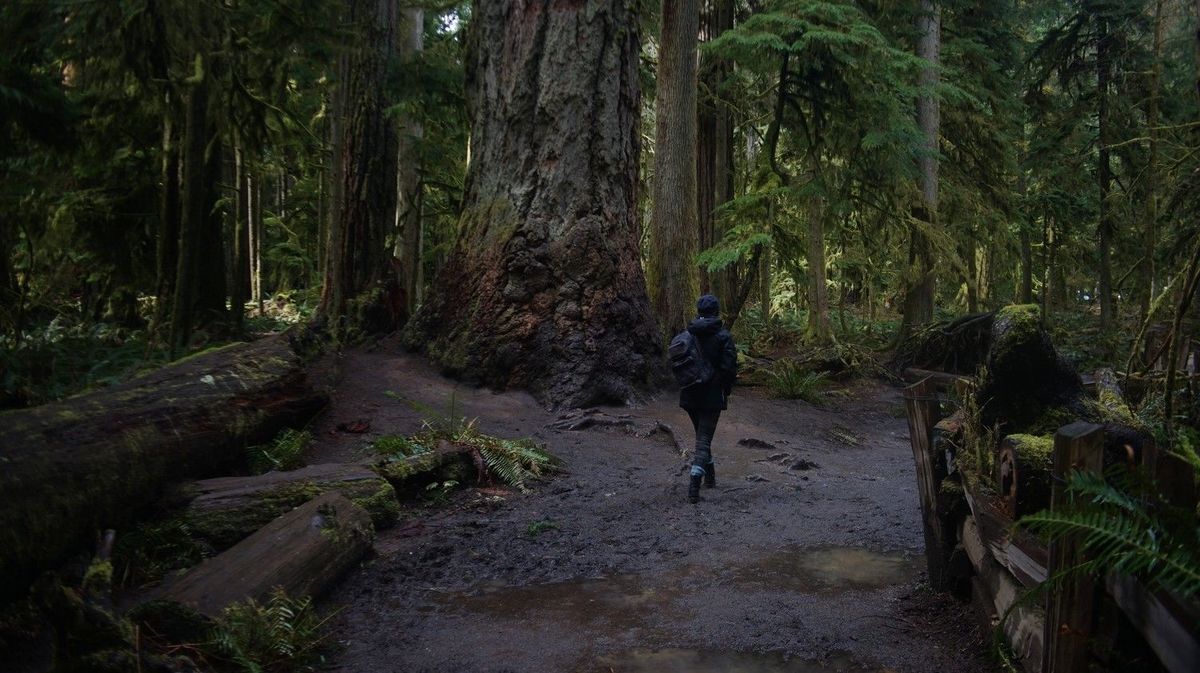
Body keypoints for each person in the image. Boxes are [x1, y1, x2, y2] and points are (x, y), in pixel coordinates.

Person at [680, 294, 737, 504]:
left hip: (689, 394)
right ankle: (694, 485)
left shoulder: (688, 333)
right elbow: (729, 368)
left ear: (699, 311)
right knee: (704, 439)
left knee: (702, 436)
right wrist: (726, 389)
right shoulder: (723, 336)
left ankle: (710, 478)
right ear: (716, 311)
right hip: (712, 395)